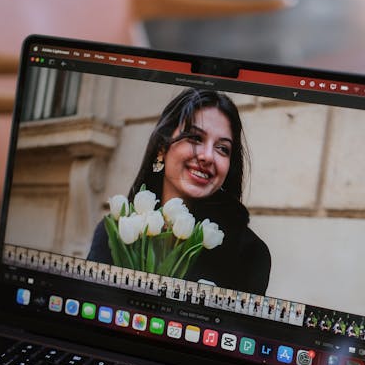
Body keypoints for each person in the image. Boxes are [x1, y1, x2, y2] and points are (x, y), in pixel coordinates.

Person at [87, 88, 271, 294]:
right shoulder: (115, 232)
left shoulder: (248, 253)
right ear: (162, 148)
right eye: (195, 138)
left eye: (222, 148)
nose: (208, 156)